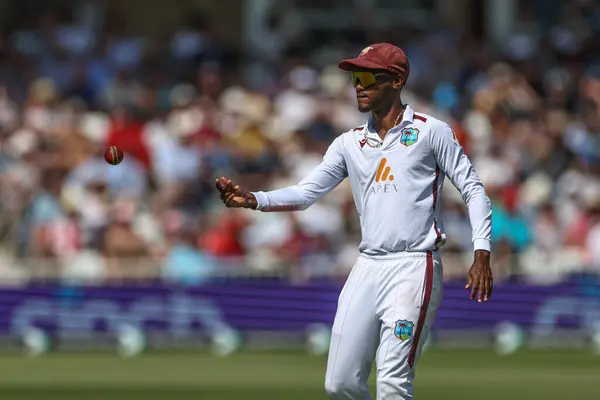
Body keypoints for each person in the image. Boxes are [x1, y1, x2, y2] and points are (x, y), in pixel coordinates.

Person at [216, 43, 493, 399]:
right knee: (340, 384)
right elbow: (306, 193)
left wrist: (481, 252)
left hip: (414, 265)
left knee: (393, 383)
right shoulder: (349, 143)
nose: (358, 86)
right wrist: (255, 199)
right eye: (354, 78)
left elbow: (473, 189)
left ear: (397, 80)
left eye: (367, 77)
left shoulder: (430, 132)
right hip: (367, 266)